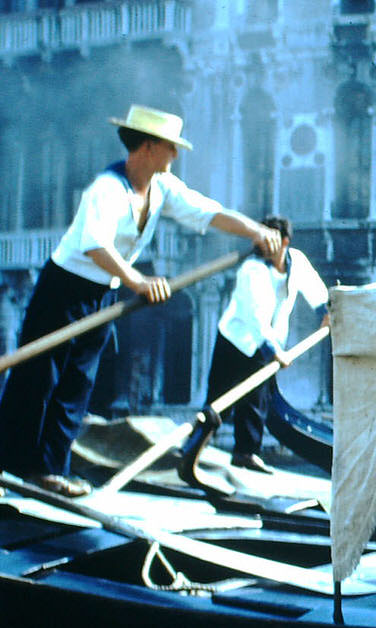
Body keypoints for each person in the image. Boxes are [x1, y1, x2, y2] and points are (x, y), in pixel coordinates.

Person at [0, 105, 281, 497]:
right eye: (170, 147)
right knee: (38, 378)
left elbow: (208, 212)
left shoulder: (162, 188)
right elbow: (95, 244)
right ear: (148, 147)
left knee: (78, 383)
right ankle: (11, 467)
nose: (176, 155)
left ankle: (49, 471)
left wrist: (255, 231)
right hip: (64, 290)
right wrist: (139, 281)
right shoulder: (107, 189)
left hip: (102, 294)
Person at [192, 215, 329, 473]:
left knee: (256, 400)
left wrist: (326, 311)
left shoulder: (296, 261)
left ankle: (246, 453)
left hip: (269, 342)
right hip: (236, 339)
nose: (263, 243)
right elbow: (255, 316)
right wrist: (276, 352)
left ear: (285, 242)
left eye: (270, 239)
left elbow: (315, 289)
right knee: (219, 398)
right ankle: (194, 446)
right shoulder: (251, 269)